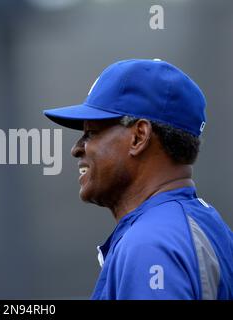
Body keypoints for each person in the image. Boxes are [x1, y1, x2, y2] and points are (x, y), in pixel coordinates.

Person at [44, 59, 233, 299]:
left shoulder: (150, 244)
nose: (77, 149)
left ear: (139, 137)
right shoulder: (209, 224)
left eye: (91, 132)